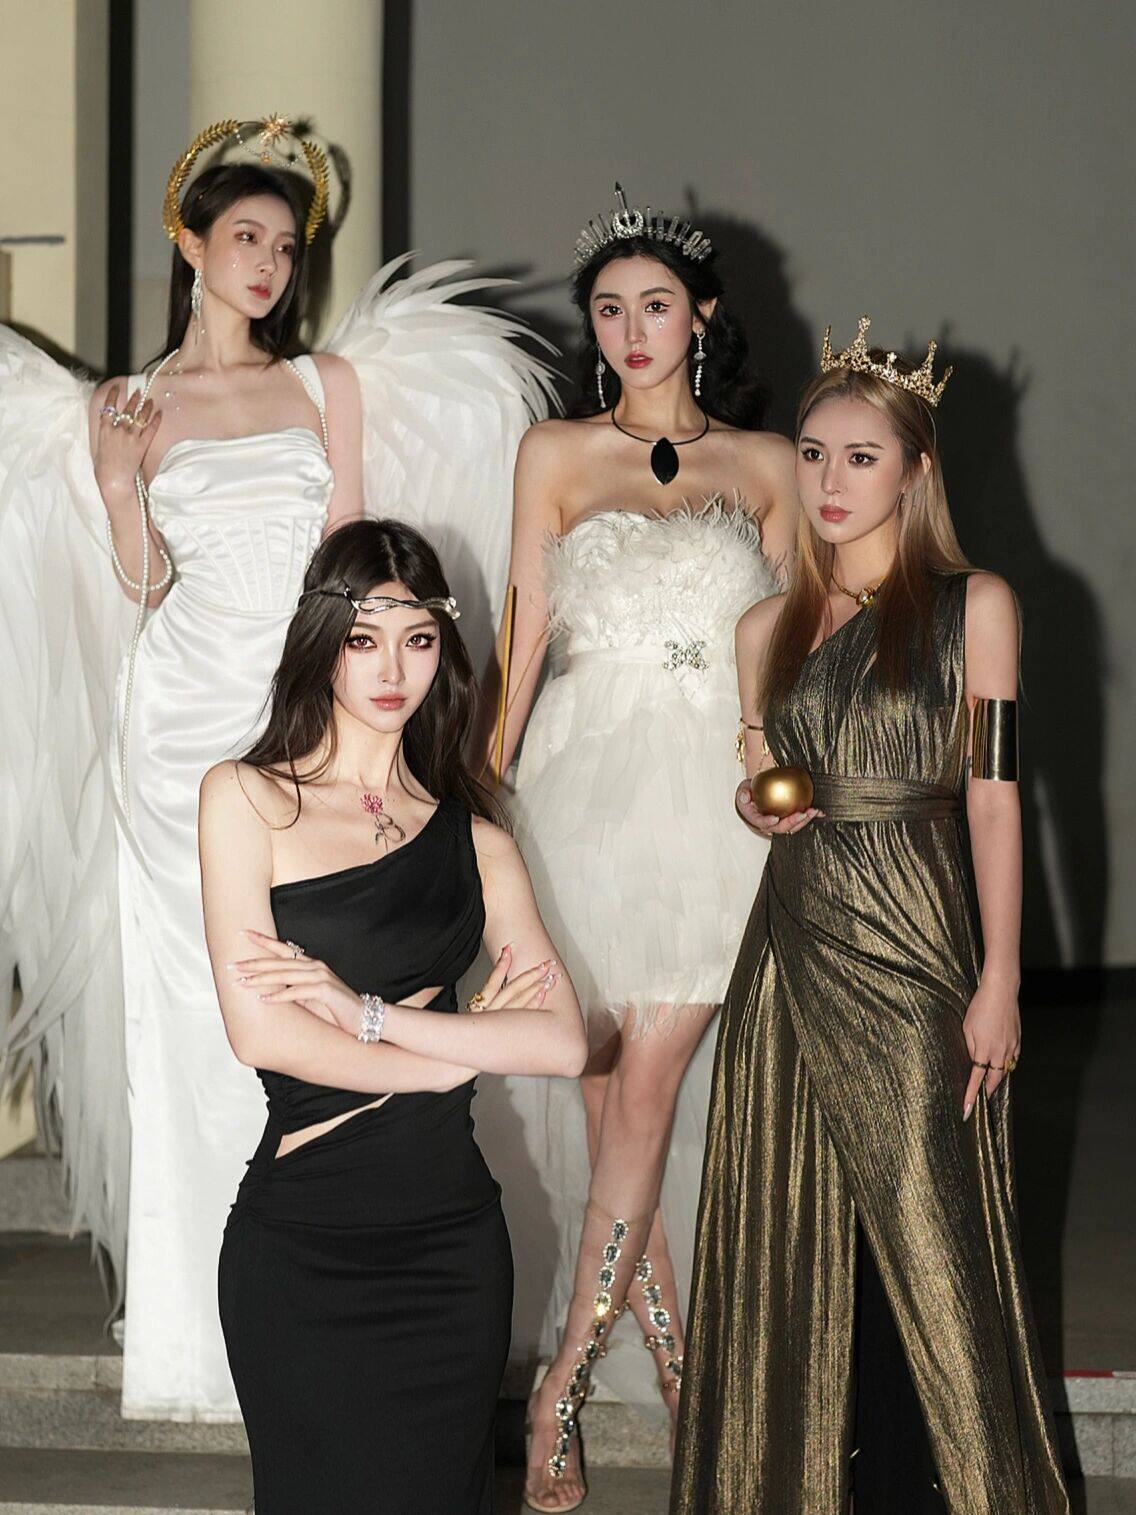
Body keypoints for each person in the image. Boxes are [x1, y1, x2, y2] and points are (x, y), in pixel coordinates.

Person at [0, 114, 553, 1420]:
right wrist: (121, 484)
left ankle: (357, 1253)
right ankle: (200, 1335)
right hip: (179, 720)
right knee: (204, 1004)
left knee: (340, 960)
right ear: (190, 245)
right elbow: (142, 586)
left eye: (286, 246)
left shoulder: (326, 384)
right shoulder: (131, 403)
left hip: (308, 691)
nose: (267, 262)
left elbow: (350, 557)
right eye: (244, 236)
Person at [671, 319, 1069, 1514]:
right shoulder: (763, 628)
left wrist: (998, 979)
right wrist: (757, 800)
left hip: (914, 943)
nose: (829, 481)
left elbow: (992, 800)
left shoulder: (971, 606)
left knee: (926, 1239)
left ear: (913, 471)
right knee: (797, 1240)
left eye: (859, 457)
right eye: (811, 454)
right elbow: (758, 777)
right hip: (791, 953)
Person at [481, 186, 796, 1511]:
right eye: (608, 309)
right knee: (614, 1098)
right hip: (579, 785)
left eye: (654, 304)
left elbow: (791, 642)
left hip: (715, 796)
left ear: (701, 316)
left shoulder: (767, 464)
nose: (631, 329)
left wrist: (790, 771)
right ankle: (680, 1367)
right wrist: (482, 786)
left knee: (650, 1082)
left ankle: (557, 1391)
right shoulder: (554, 452)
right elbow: (522, 629)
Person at [199, 518, 585, 1514]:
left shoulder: (478, 840)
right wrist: (455, 1053)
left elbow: (559, 1039)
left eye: (416, 639)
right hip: (301, 1248)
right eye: (363, 638)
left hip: (451, 1251)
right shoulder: (245, 799)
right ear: (321, 640)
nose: (390, 669)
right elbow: (262, 1033)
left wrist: (363, 1013)